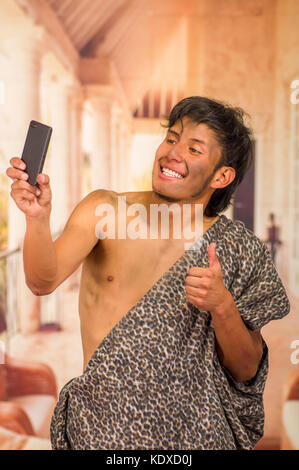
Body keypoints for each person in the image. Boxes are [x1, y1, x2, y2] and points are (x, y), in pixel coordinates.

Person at [6, 96, 290, 450]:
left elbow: (247, 369)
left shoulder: (237, 248)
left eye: (194, 149)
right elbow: (41, 280)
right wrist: (37, 218)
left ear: (222, 175)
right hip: (105, 433)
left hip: (197, 439)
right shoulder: (105, 210)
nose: (173, 152)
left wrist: (222, 306)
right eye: (171, 138)